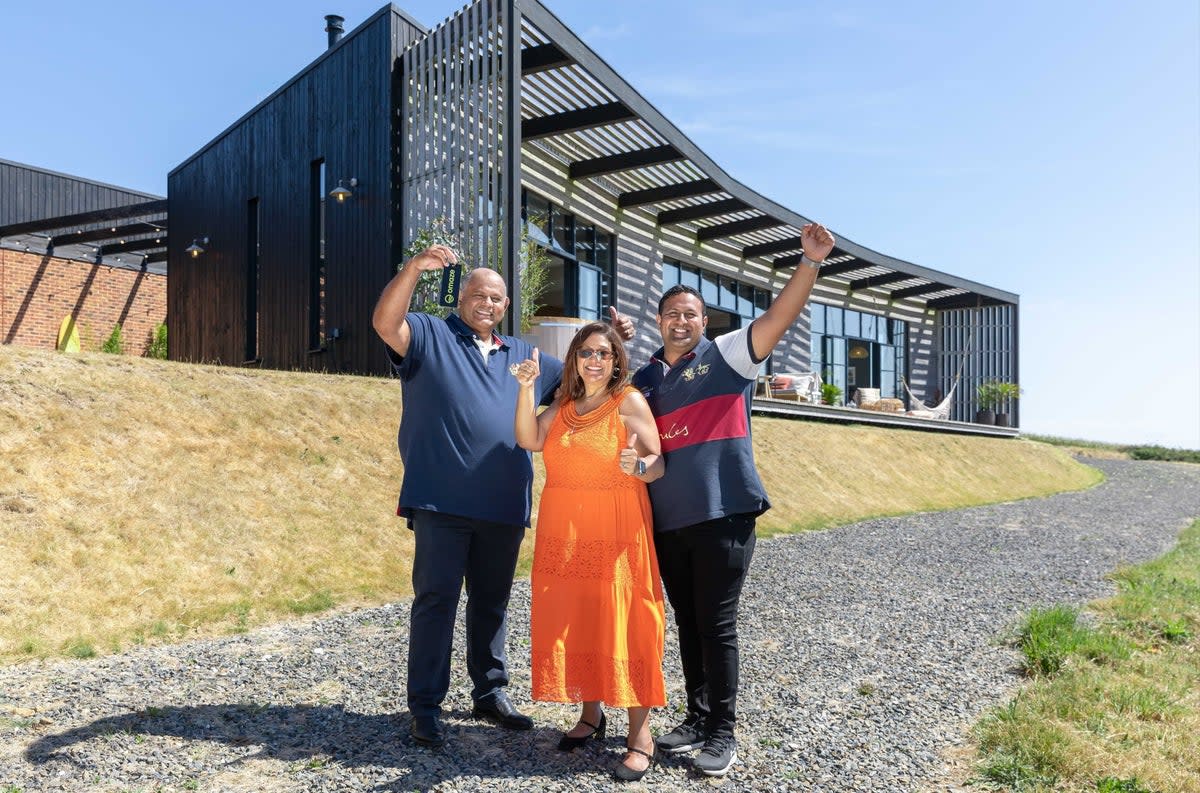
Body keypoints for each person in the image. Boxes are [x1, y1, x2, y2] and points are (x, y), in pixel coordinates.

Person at [371, 245, 633, 748]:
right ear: (462, 299)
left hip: (504, 505)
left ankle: (489, 693)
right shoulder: (430, 334)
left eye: (495, 297)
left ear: (506, 305)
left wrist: (613, 345)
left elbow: (591, 379)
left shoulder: (527, 356)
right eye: (477, 295)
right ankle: (425, 705)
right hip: (441, 501)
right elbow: (386, 323)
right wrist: (413, 269)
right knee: (436, 602)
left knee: (492, 603)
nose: (486, 303)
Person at [632, 222, 836, 777]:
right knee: (687, 621)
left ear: (703, 322)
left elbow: (777, 319)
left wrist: (810, 263)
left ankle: (723, 732)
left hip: (724, 514)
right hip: (667, 522)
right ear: (659, 322)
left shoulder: (728, 357)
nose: (680, 321)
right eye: (671, 313)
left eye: (690, 314)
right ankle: (698, 718)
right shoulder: (644, 379)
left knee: (717, 625)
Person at [511, 322, 666, 782]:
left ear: (617, 360)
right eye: (585, 353)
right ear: (574, 360)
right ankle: (591, 715)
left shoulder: (629, 401)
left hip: (617, 532)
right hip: (567, 534)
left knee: (627, 623)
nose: (593, 361)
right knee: (581, 620)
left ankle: (641, 735)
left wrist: (637, 465)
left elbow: (657, 463)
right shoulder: (562, 405)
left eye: (603, 353)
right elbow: (528, 440)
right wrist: (525, 389)